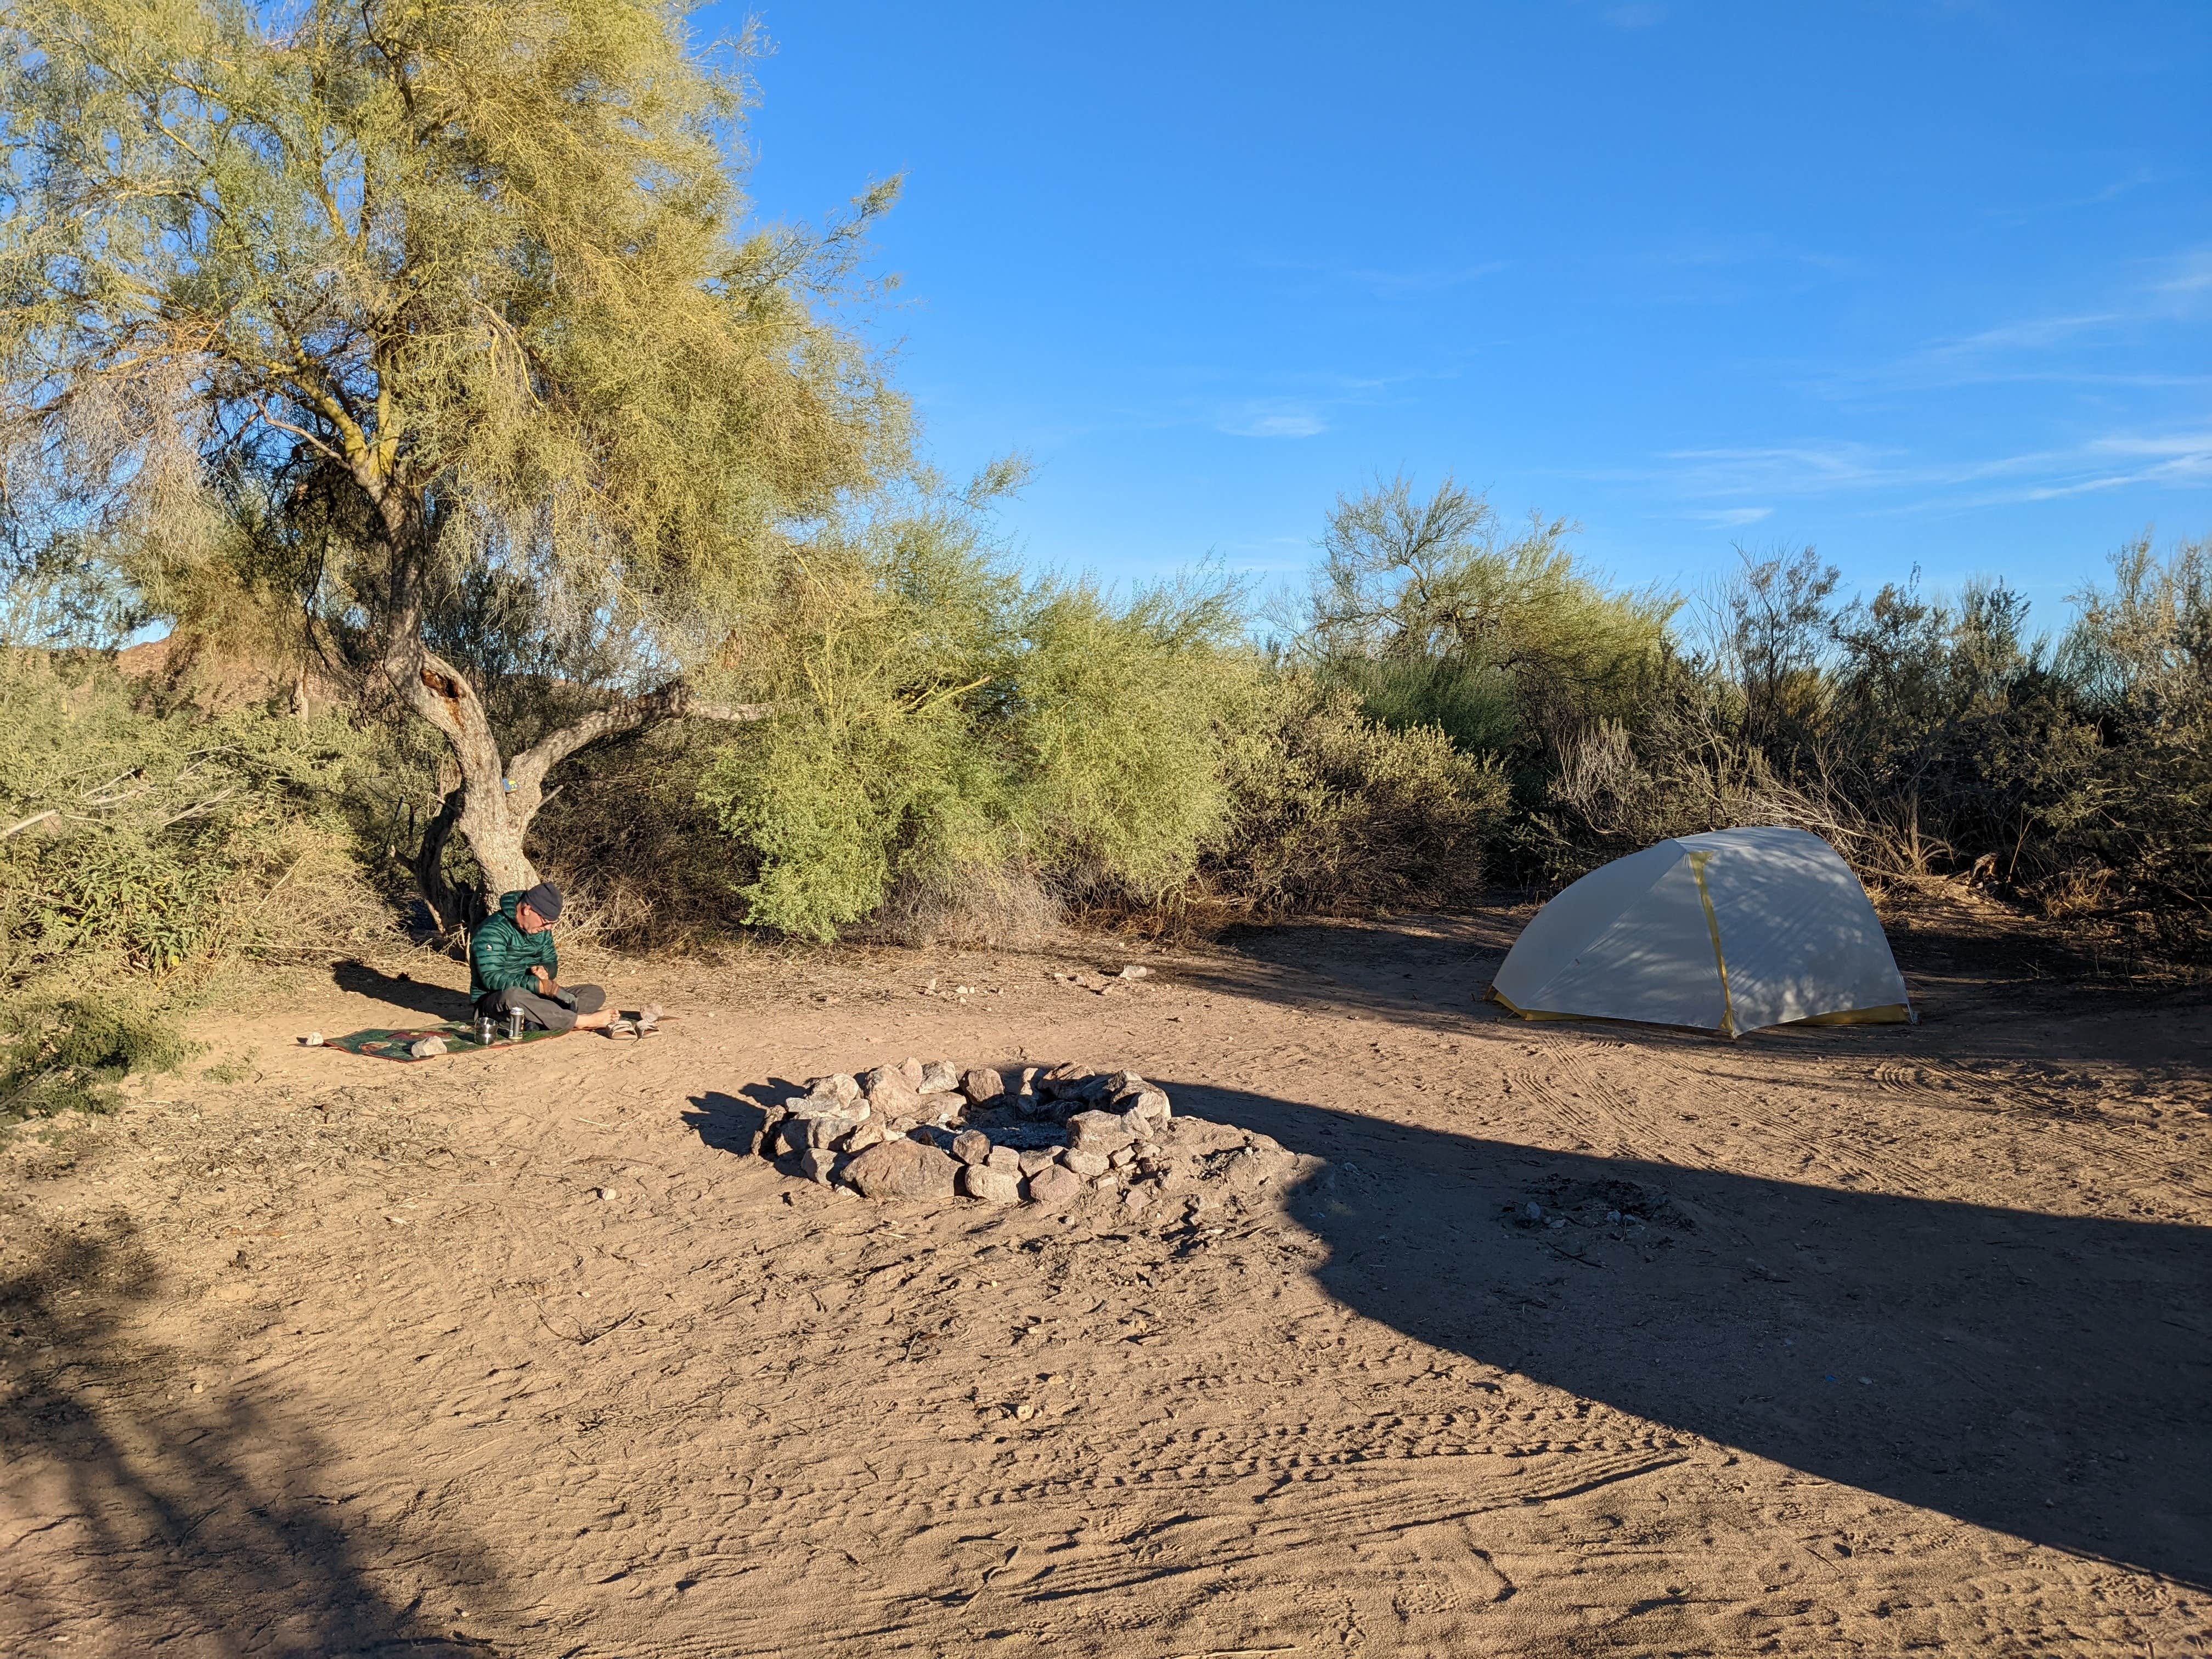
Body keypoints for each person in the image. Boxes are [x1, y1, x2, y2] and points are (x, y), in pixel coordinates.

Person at [469, 882, 651, 1036]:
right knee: (515, 996)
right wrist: (537, 985)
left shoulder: (541, 930)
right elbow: (492, 978)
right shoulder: (491, 931)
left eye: (552, 924)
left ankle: (543, 1018)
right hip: (497, 1001)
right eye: (546, 922)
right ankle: (579, 1021)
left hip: (536, 996)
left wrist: (546, 971)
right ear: (527, 910)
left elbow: (551, 960)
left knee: (595, 992)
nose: (548, 928)